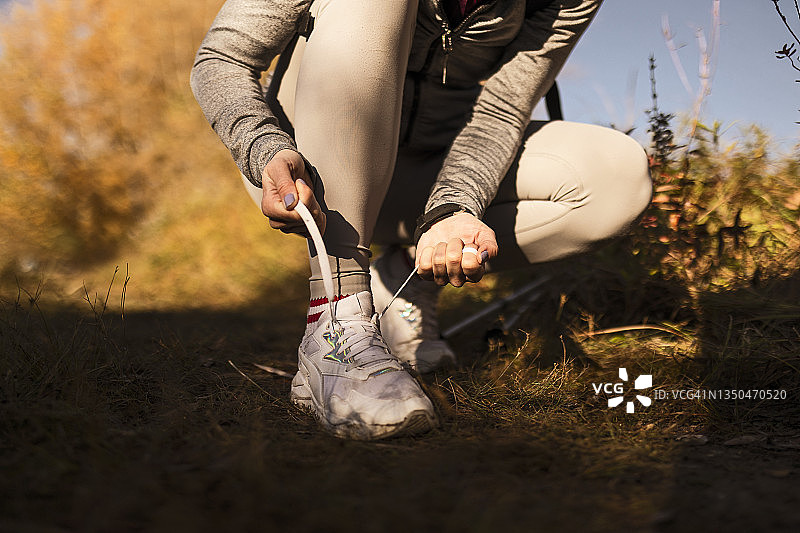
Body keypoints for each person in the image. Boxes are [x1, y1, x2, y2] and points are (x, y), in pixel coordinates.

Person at [190, 0, 652, 440]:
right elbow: (222, 58)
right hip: (303, 166)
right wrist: (265, 147)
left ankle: (405, 274)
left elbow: (502, 110)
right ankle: (336, 326)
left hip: (426, 175)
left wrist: (453, 207)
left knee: (616, 179)